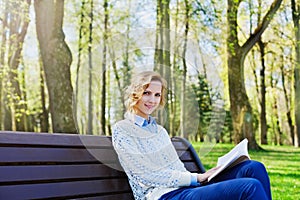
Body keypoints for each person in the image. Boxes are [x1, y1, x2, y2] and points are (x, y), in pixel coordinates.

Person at [112, 71, 272, 200]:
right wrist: (197, 178)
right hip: (163, 196)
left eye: (157, 95)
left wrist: (212, 174)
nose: (152, 100)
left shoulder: (160, 131)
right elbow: (146, 175)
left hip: (186, 188)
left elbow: (177, 168)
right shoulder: (122, 130)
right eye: (147, 93)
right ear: (135, 94)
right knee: (250, 186)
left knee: (253, 167)